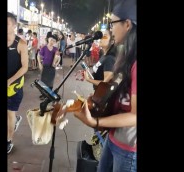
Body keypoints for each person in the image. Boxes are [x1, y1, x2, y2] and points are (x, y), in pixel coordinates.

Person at [61, 0, 137, 171]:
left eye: (112, 24)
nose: (110, 29)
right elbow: (109, 91)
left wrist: (95, 121)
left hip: (129, 150)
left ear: (127, 24)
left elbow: (135, 115)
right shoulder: (125, 57)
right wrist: (76, 106)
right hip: (113, 137)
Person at [7, 12, 29, 154]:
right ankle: (15, 120)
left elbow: (25, 67)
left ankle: (8, 141)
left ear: (14, 26)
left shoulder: (21, 44)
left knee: (9, 114)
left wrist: (9, 80)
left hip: (14, 87)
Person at [37, 34, 61, 100]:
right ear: (48, 39)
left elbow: (59, 58)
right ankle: (44, 94)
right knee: (43, 81)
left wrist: (57, 63)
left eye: (54, 41)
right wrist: (39, 63)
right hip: (45, 66)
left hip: (52, 67)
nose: (52, 41)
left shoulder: (56, 49)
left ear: (55, 42)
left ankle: (48, 94)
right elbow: (39, 56)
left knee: (50, 81)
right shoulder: (44, 48)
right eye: (51, 40)